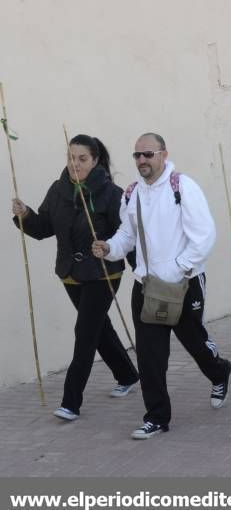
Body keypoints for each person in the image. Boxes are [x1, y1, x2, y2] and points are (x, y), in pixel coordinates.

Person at [91, 133, 231, 440]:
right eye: (137, 155)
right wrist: (109, 248)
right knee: (150, 356)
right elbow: (126, 236)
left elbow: (204, 235)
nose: (142, 160)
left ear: (163, 155)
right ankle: (156, 417)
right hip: (146, 286)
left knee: (195, 343)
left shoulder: (182, 187)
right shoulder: (131, 194)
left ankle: (220, 373)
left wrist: (179, 267)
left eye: (148, 154)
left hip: (184, 284)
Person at [11, 135, 139, 422]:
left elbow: (126, 236)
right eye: (71, 157)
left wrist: (132, 264)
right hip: (70, 273)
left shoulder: (111, 193)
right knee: (98, 328)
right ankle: (128, 374)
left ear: (95, 160)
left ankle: (71, 402)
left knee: (85, 333)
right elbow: (43, 227)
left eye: (82, 159)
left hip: (104, 272)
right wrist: (25, 214)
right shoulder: (58, 190)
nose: (75, 164)